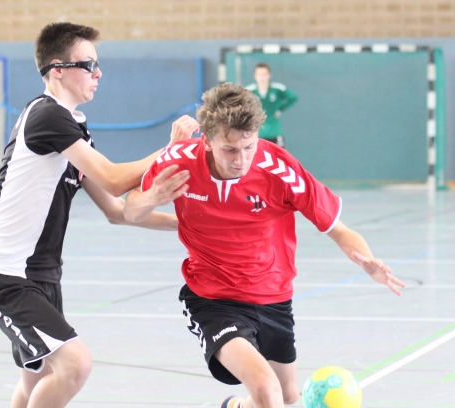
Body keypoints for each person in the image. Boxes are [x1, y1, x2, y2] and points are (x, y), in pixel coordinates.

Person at [124, 82, 406, 408]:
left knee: (287, 396)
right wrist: (151, 198)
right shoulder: (178, 162)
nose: (241, 159)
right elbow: (131, 211)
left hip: (273, 295)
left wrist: (368, 261)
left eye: (249, 147)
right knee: (267, 391)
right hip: (213, 298)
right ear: (207, 140)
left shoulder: (281, 170)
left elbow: (339, 230)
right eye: (230, 150)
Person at [0, 22, 194, 408]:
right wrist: (172, 149)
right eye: (88, 64)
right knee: (74, 366)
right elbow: (113, 179)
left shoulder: (74, 129)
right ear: (57, 68)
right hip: (5, 274)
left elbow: (117, 210)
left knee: (37, 378)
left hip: (40, 273)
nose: (99, 73)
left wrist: (192, 225)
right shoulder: (47, 116)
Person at [246, 63, 297, 148]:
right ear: (255, 76)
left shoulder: (277, 88)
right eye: (259, 75)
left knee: (279, 157)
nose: (262, 78)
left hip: (274, 131)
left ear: (269, 75)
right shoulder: (249, 90)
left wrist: (280, 109)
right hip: (258, 132)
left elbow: (293, 97)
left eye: (264, 74)